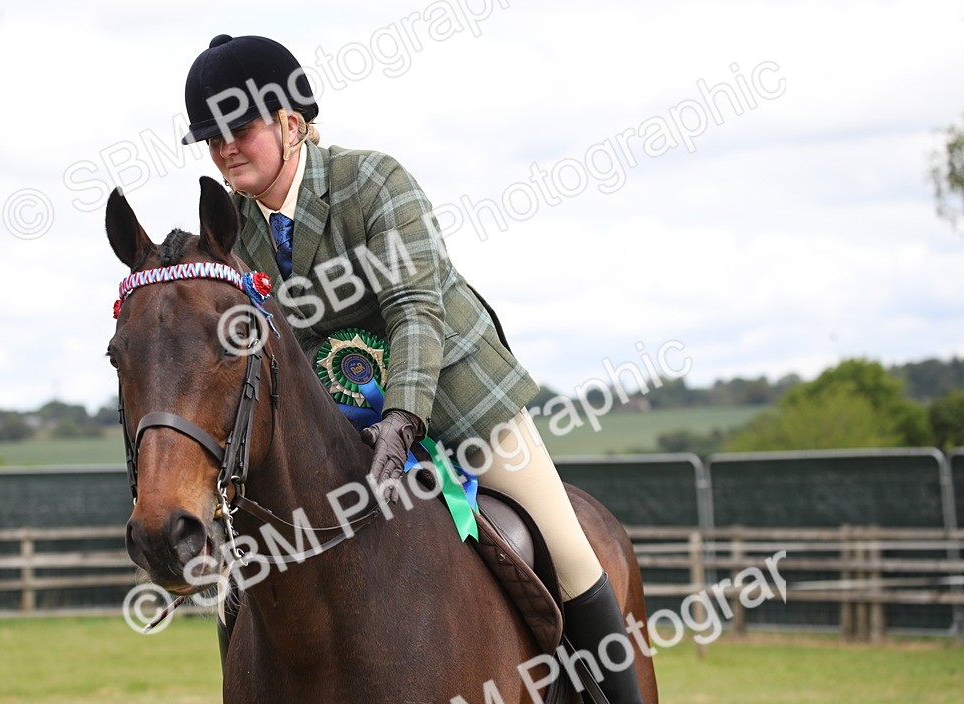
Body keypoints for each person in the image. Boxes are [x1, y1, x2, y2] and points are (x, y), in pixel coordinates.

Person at [182, 34, 644, 704]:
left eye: (239, 128)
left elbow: (414, 308)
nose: (224, 148)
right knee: (238, 586)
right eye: (211, 137)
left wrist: (401, 422)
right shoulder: (237, 233)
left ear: (289, 122)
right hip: (333, 435)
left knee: (568, 551)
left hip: (459, 401)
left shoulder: (373, 182)